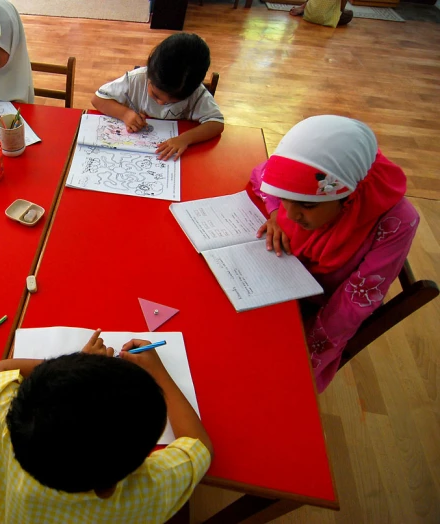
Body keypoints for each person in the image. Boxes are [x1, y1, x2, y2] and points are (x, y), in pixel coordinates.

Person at [0, 329, 213, 523]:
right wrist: (158, 373)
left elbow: (2, 369)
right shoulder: (148, 492)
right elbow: (200, 445)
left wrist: (78, 367)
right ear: (108, 489)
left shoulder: (12, 436)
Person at [251, 115, 419, 392]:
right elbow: (261, 175)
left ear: (348, 197)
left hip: (314, 306)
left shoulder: (396, 222)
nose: (291, 216)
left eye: (306, 205)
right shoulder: (307, 171)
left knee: (274, 383)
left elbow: (353, 303)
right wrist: (274, 212)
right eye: (285, 200)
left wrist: (304, 352)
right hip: (275, 279)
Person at [91, 33, 224, 161]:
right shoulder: (136, 80)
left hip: (182, 157)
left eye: (173, 101)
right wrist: (125, 114)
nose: (161, 103)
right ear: (149, 73)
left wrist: (185, 139)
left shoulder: (196, 93)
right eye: (155, 95)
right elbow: (98, 99)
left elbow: (217, 123)